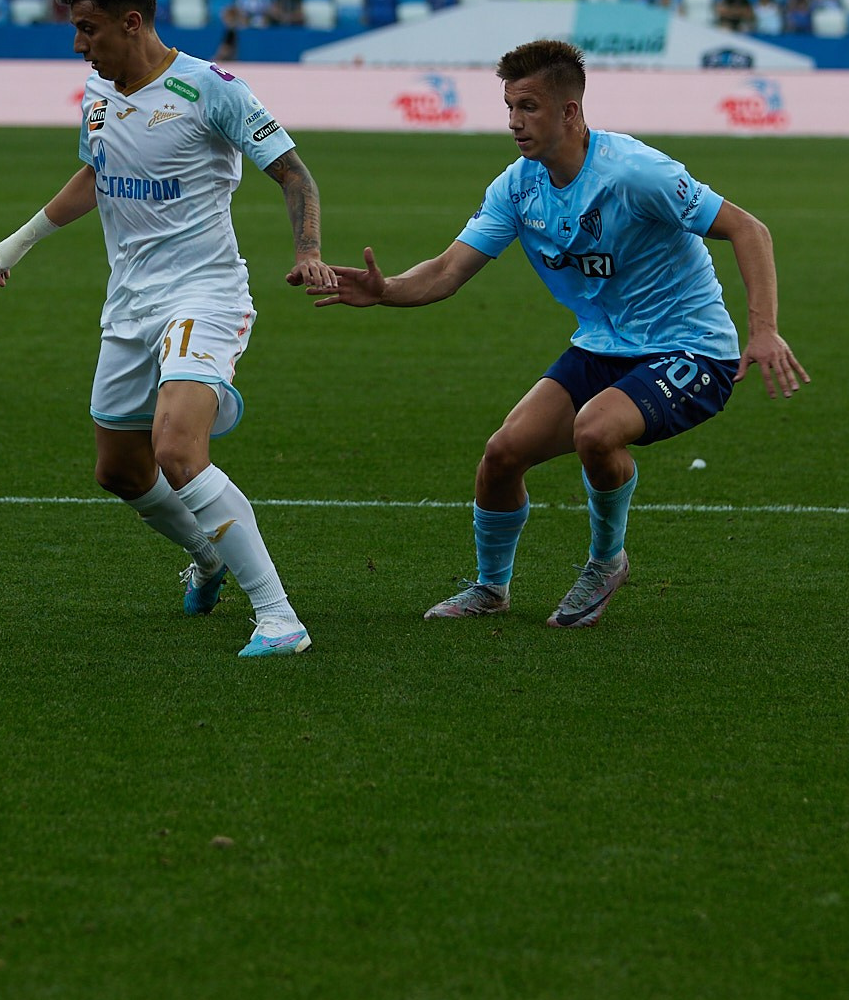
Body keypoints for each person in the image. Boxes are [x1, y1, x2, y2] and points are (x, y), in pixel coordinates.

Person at [308, 40, 807, 628]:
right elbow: (446, 271)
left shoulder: (634, 173)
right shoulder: (518, 188)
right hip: (601, 347)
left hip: (690, 350)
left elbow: (749, 229)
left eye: (530, 107)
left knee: (595, 430)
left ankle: (606, 561)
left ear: (570, 111)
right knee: (500, 456)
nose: (515, 122)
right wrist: (385, 288)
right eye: (509, 106)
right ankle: (491, 588)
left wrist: (764, 330)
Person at [0, 0, 333, 659]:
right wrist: (21, 241)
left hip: (206, 293)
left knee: (175, 449)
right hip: (130, 303)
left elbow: (294, 173)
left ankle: (280, 617)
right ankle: (208, 555)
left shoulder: (211, 89)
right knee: (119, 469)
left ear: (131, 21)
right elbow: (98, 170)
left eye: (88, 29)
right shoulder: (99, 91)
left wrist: (307, 252)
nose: (79, 44)